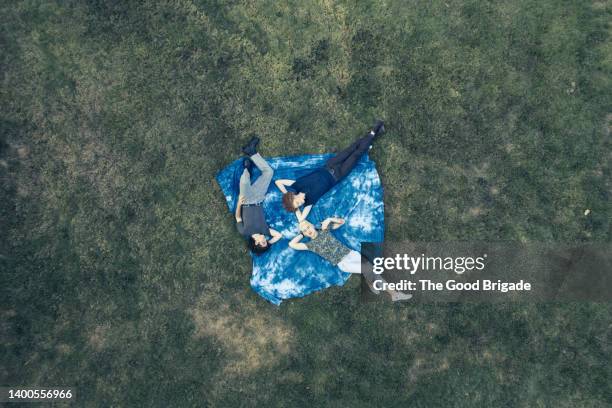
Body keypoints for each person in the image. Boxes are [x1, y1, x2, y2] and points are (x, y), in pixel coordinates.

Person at [275, 120, 385, 221]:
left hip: (330, 165)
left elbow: (278, 182)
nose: (300, 204)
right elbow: (301, 219)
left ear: (293, 195)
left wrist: (287, 195)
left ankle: (374, 134)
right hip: (338, 175)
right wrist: (295, 208)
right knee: (356, 155)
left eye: (297, 202)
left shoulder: (297, 185)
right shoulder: (309, 202)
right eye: (299, 205)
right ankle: (374, 131)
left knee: (351, 148)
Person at [289, 219, 411, 301]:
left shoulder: (324, 229)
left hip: (351, 254)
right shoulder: (310, 245)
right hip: (344, 263)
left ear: (312, 225)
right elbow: (292, 244)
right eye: (304, 231)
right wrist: (301, 234)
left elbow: (342, 222)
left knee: (368, 268)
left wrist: (330, 219)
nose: (307, 230)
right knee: (370, 270)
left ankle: (371, 284)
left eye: (307, 227)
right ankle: (394, 293)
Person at [235, 135, 282, 254]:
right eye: (266, 241)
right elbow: (278, 235)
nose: (265, 240)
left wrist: (239, 203)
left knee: (245, 180)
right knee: (269, 172)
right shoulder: (265, 230)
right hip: (259, 198)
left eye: (263, 242)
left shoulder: (244, 232)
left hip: (245, 201)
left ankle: (247, 170)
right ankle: (251, 151)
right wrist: (269, 244)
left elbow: (238, 217)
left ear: (256, 242)